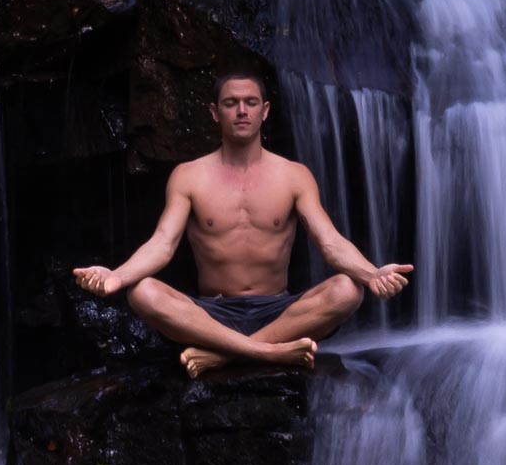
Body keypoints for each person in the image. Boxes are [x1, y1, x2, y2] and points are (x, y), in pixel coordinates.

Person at [72, 72, 413, 378]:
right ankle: (268, 352)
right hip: (210, 313)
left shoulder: (294, 176)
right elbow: (162, 243)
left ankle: (223, 355)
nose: (241, 111)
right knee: (143, 292)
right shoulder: (188, 176)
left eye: (250, 103)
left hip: (280, 311)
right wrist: (117, 276)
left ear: (265, 111)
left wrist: (372, 274)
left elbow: (329, 241)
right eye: (231, 103)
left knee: (347, 290)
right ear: (214, 112)